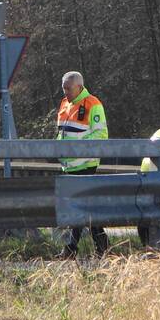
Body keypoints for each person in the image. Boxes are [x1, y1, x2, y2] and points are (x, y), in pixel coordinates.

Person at [56, 70, 109, 257]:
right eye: (63, 89)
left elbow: (101, 135)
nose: (65, 93)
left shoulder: (93, 104)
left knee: (79, 207)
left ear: (79, 86)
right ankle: (101, 245)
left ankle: (71, 248)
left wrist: (76, 150)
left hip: (85, 164)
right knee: (84, 207)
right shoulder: (64, 104)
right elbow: (61, 134)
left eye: (68, 89)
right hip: (69, 166)